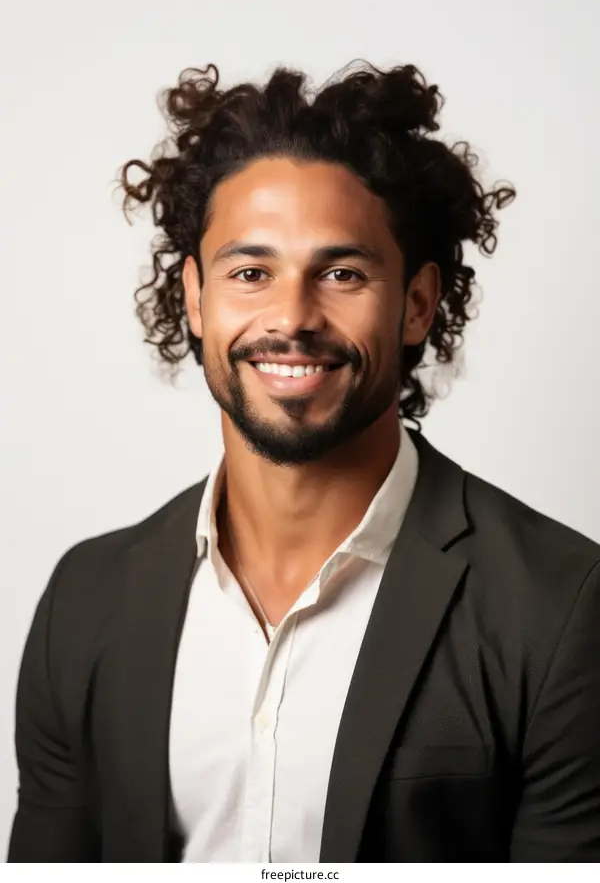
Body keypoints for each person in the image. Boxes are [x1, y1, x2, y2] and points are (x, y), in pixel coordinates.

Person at [8, 60, 600, 864]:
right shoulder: (87, 599)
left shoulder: (561, 607)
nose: (291, 316)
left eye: (342, 273)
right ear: (194, 297)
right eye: (250, 273)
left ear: (418, 304)